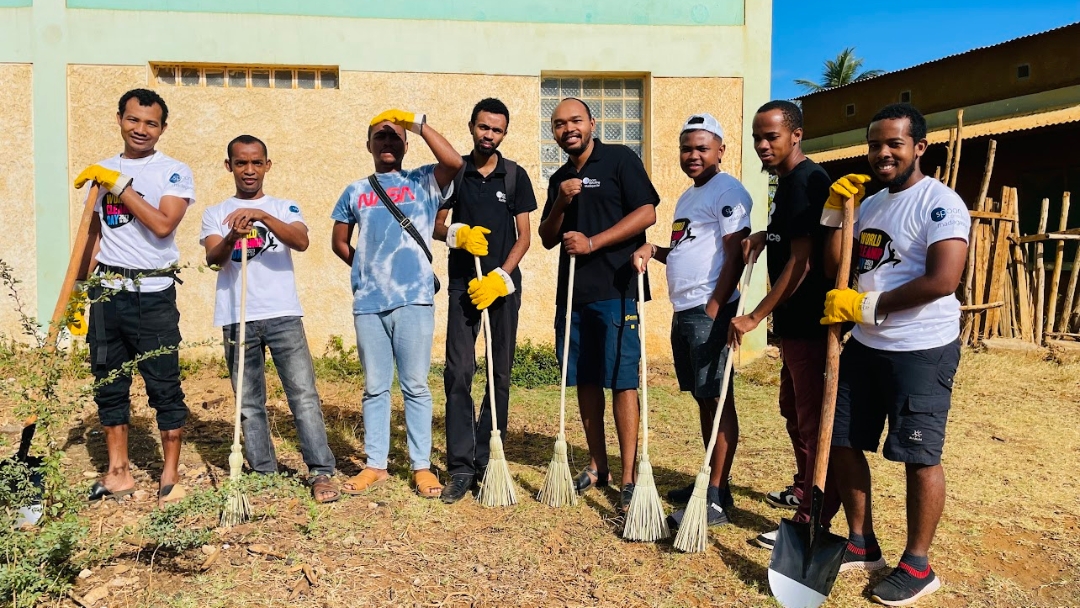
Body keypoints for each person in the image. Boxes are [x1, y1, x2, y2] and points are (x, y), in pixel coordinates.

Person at [821, 103, 968, 606]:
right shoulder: (872, 203)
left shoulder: (940, 203)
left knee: (918, 455)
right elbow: (838, 267)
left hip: (921, 347)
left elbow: (944, 279)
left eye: (894, 145)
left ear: (919, 148)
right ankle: (861, 542)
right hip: (866, 344)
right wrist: (834, 215)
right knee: (842, 439)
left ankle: (918, 564)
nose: (882, 154)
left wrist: (868, 304)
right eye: (875, 145)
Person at [330, 110, 464, 499]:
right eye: (379, 137)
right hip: (370, 303)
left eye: (394, 137)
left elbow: (454, 162)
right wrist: (366, 268)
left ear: (406, 144)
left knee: (416, 387)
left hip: (414, 299)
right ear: (368, 145)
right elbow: (339, 241)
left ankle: (421, 466)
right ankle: (376, 465)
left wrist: (417, 123)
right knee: (374, 388)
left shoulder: (423, 180)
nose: (387, 143)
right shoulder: (355, 190)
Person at [200, 135, 339, 504]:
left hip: (283, 315)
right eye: (241, 163)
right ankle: (263, 471)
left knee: (304, 396)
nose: (249, 170)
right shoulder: (215, 212)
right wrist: (233, 234)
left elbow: (301, 241)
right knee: (248, 402)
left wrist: (262, 216)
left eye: (256, 162)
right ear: (229, 166)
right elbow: (214, 258)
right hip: (238, 315)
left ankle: (321, 471)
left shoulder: (284, 206)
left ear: (267, 165)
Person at [730, 100, 843, 549]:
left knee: (813, 422)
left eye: (771, 136)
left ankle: (812, 515)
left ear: (795, 135)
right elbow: (791, 237)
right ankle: (804, 487)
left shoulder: (805, 181)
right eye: (757, 137)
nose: (762, 145)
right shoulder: (789, 182)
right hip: (793, 329)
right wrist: (764, 235)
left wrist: (755, 316)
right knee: (793, 414)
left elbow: (802, 264)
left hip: (811, 327)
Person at [538, 97, 659, 513]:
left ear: (591, 122)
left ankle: (628, 477)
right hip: (573, 293)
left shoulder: (620, 159)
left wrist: (593, 242)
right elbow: (548, 237)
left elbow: (647, 213)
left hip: (617, 287)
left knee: (622, 380)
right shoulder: (559, 177)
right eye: (558, 124)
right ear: (553, 132)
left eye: (575, 120)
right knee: (585, 379)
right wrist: (560, 203)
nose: (568, 128)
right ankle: (597, 466)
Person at [631, 114, 751, 528]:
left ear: (720, 149)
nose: (694, 155)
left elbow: (736, 252)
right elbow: (688, 249)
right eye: (687, 148)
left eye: (702, 148)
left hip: (708, 309)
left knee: (718, 400)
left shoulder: (728, 191)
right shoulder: (687, 197)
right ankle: (714, 482)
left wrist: (717, 308)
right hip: (686, 310)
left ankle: (713, 497)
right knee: (704, 398)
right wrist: (654, 249)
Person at [75, 89, 194, 507]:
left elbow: (163, 224)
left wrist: (120, 187)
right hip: (108, 293)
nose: (140, 129)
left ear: (162, 128)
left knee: (164, 384)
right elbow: (92, 238)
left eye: (151, 123)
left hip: (153, 294)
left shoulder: (174, 171)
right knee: (109, 382)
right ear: (120, 119)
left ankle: (169, 473)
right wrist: (77, 291)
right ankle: (118, 472)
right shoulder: (101, 171)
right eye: (133, 120)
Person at [433, 98, 536, 504]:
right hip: (463, 286)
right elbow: (437, 223)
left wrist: (501, 276)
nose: (488, 135)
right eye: (482, 127)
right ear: (472, 126)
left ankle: (488, 454)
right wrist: (456, 234)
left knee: (499, 372)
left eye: (496, 129)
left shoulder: (515, 176)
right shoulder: (455, 172)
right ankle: (460, 467)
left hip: (501, 288)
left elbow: (524, 236)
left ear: (504, 133)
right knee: (458, 372)